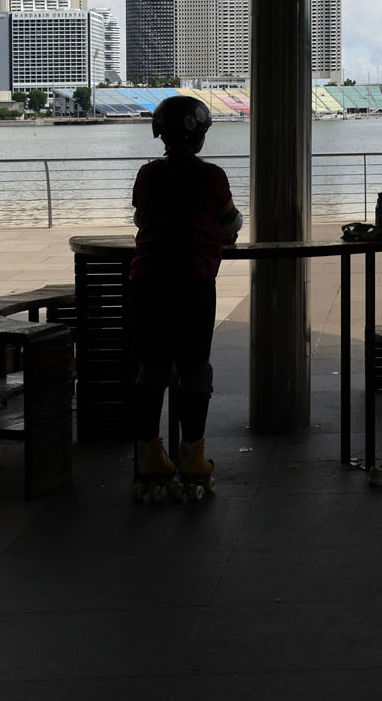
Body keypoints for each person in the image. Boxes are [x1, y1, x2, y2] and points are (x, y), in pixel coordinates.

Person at [128, 94, 241, 501]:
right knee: (195, 369)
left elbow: (141, 216)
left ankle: (148, 457)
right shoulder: (212, 176)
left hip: (147, 283)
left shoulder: (147, 175)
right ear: (200, 136)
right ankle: (193, 457)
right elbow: (231, 221)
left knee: (151, 370)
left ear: (160, 133)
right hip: (193, 283)